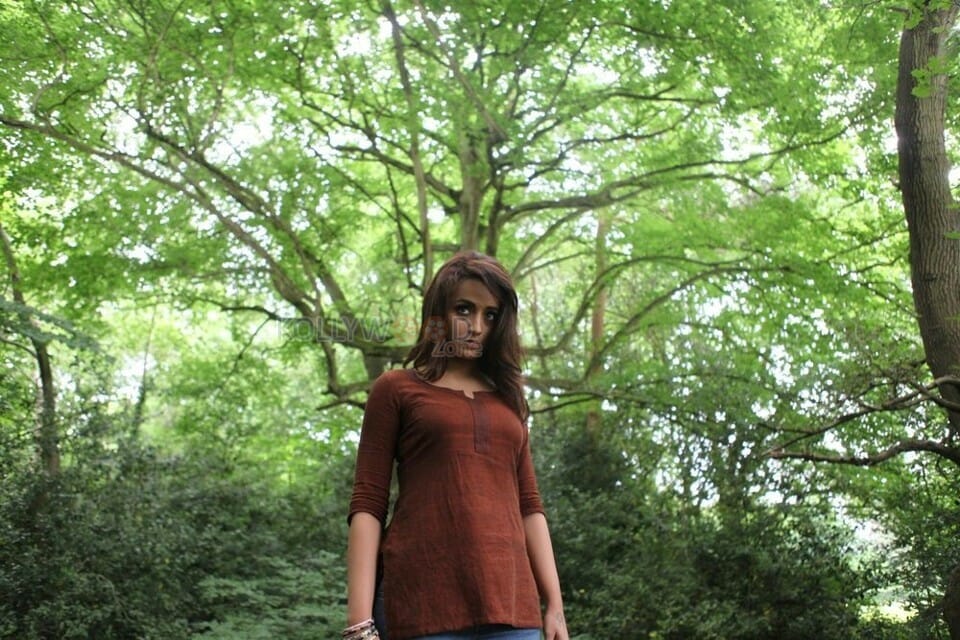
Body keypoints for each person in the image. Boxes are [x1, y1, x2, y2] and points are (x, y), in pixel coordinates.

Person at [344, 251, 569, 640]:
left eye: (490, 315)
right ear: (438, 313)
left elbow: (530, 505)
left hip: (514, 610)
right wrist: (359, 625)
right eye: (464, 309)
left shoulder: (508, 401)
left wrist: (556, 606)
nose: (477, 326)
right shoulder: (397, 388)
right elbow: (368, 503)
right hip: (422, 605)